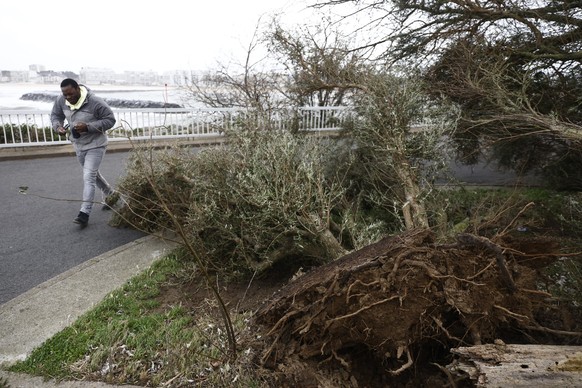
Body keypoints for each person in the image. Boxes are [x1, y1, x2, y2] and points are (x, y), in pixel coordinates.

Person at [51, 78, 120, 227]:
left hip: (96, 145)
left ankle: (84, 213)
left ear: (77, 88)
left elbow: (110, 120)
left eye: (70, 94)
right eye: (65, 95)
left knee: (88, 176)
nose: (68, 97)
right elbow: (56, 116)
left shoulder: (95, 102)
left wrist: (88, 127)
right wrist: (58, 127)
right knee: (93, 175)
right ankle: (112, 194)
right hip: (78, 145)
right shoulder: (61, 100)